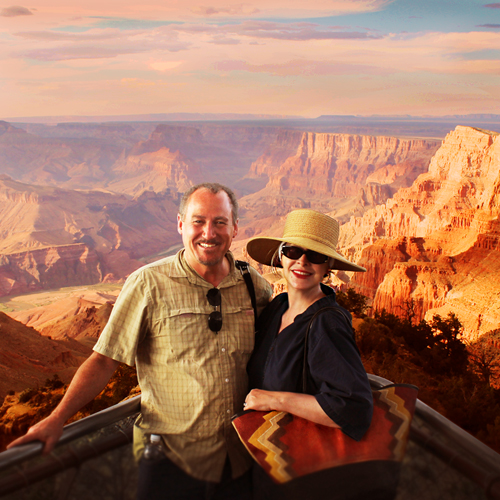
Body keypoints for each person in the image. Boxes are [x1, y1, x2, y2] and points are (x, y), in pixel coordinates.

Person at [8, 183, 272, 500]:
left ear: (234, 228)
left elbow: (279, 347)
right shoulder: (148, 283)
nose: (208, 233)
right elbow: (104, 360)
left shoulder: (252, 283)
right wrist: (57, 418)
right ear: (180, 224)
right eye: (198, 221)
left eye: (219, 222)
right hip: (169, 462)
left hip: (239, 457)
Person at [243, 209, 373, 499]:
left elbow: (353, 406)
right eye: (293, 251)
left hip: (305, 473)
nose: (302, 262)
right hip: (268, 461)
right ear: (280, 257)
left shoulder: (326, 322)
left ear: (327, 267)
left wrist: (275, 399)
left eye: (315, 256)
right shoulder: (277, 308)